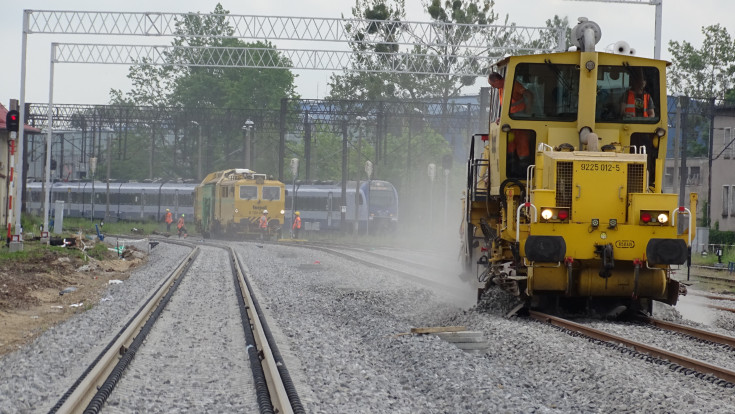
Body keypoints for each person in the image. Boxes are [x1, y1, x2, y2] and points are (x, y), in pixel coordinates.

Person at [488, 72, 534, 177]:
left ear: (497, 81)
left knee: (522, 145)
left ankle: (523, 171)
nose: (493, 87)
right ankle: (513, 169)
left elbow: (529, 94)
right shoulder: (501, 88)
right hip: (511, 121)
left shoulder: (512, 84)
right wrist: (501, 117)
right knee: (510, 145)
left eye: (492, 85)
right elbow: (506, 106)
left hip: (519, 119)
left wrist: (528, 111)